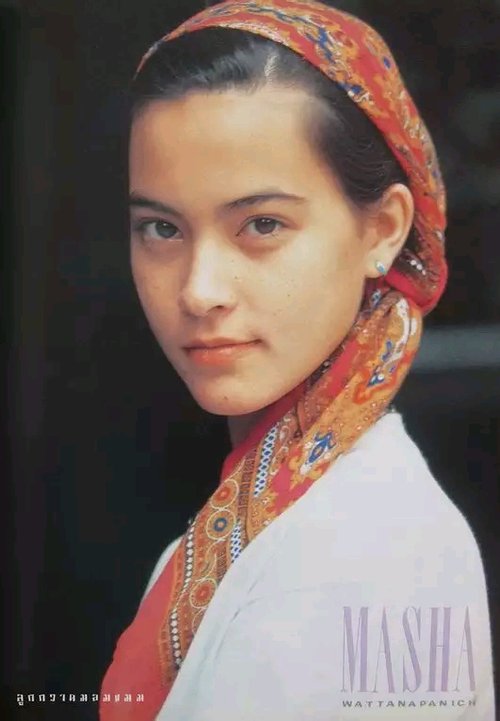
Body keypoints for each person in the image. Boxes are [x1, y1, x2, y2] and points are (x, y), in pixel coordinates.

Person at [99, 1, 496, 719]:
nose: (200, 290)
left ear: (383, 229)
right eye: (161, 228)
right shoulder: (270, 524)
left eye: (262, 224)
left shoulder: (373, 562)